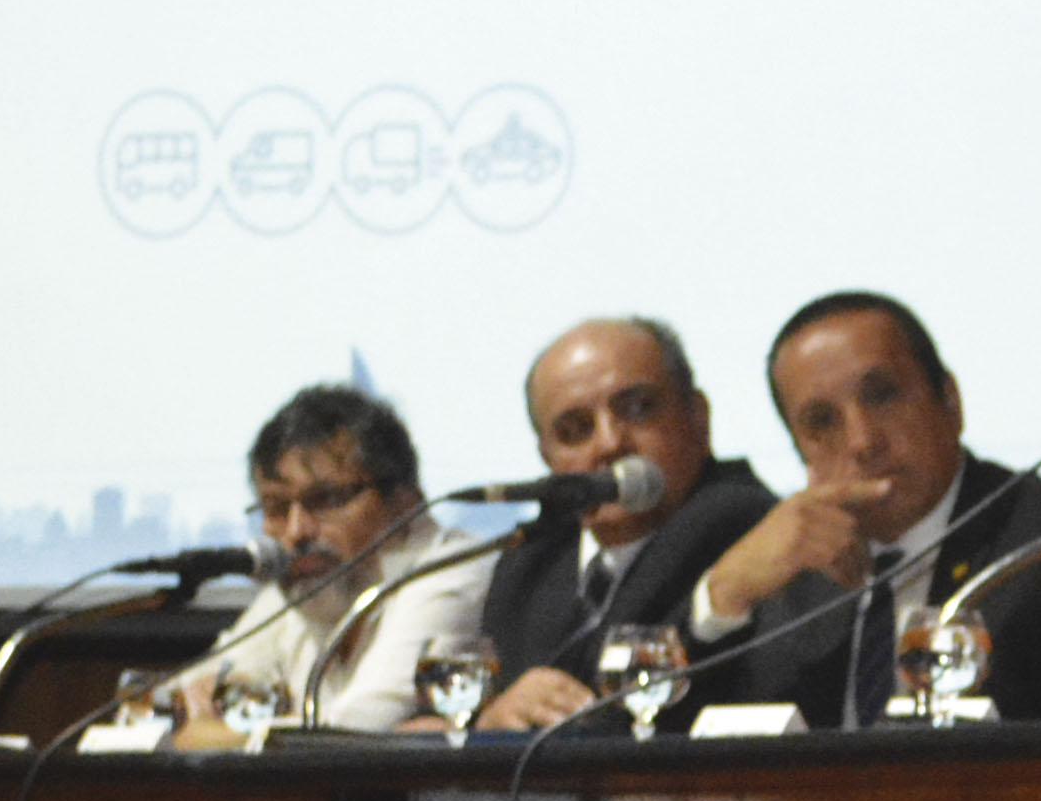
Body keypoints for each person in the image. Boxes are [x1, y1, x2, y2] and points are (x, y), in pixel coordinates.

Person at [685, 291, 1041, 726]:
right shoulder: (789, 577)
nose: (862, 441)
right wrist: (723, 593)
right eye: (821, 422)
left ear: (950, 402)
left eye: (883, 397)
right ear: (800, 452)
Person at [470, 316, 776, 732]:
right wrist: (495, 717)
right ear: (548, 457)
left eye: (639, 409)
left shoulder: (744, 522)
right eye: (575, 429)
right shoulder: (528, 561)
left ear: (698, 419)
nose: (611, 443)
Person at [172, 382, 494, 739]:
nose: (296, 532)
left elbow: (355, 729)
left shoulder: (449, 566)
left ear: (404, 503)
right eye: (276, 508)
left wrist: (213, 734)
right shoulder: (303, 584)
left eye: (325, 500)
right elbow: (172, 704)